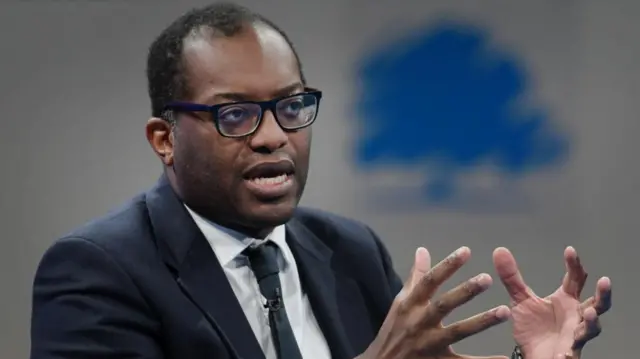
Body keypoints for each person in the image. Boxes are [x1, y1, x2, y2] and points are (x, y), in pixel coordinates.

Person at [30, 2, 612, 359]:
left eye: (290, 107)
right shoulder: (96, 271)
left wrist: (526, 358)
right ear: (165, 139)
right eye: (234, 114)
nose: (272, 136)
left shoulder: (347, 250)